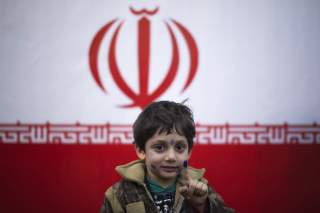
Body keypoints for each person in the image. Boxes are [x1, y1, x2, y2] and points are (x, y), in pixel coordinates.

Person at [100, 100, 234, 213]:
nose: (171, 157)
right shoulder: (118, 194)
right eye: (159, 148)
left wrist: (202, 206)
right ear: (141, 150)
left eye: (179, 148)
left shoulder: (199, 187)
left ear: (189, 151)